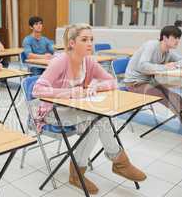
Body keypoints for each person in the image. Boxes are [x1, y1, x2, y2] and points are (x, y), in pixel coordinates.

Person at [32, 23, 146, 195]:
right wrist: (69, 92)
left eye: (91, 39)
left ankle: (78, 173)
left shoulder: (88, 61)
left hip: (75, 111)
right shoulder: (61, 61)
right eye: (84, 39)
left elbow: (112, 82)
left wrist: (95, 86)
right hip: (52, 113)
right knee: (97, 118)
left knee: (95, 122)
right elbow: (37, 89)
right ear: (71, 43)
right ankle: (119, 162)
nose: (90, 43)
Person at [124, 25, 182, 133]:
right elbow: (142, 66)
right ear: (165, 38)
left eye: (179, 38)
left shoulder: (167, 52)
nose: (177, 41)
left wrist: (175, 65)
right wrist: (165, 67)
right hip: (135, 83)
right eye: (175, 37)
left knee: (176, 97)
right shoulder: (151, 45)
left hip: (149, 82)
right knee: (167, 99)